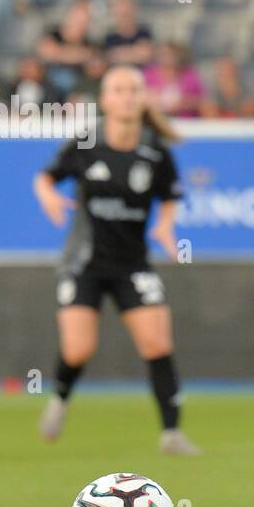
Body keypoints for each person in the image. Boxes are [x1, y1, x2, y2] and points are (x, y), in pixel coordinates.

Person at [33, 66, 200, 455]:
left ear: (143, 99)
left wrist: (165, 227)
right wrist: (50, 198)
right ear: (105, 100)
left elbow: (172, 195)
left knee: (158, 344)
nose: (127, 96)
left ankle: (172, 434)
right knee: (77, 350)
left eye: (134, 90)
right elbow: (44, 178)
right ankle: (60, 399)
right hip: (85, 263)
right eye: (119, 90)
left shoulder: (155, 151)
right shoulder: (86, 143)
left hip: (132, 264)